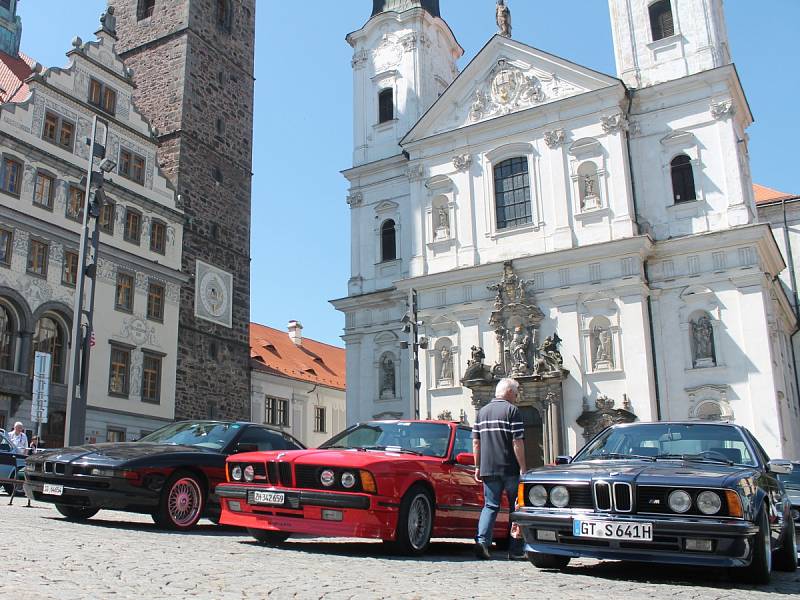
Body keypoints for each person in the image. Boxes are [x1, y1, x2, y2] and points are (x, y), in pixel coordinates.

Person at [472, 378, 526, 560]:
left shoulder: (482, 412)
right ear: (509, 392)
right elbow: (517, 441)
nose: (517, 397)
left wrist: (477, 466)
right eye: (516, 393)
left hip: (488, 467)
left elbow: (476, 442)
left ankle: (482, 542)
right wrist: (523, 467)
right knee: (516, 508)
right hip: (509, 467)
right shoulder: (512, 411)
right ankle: (516, 549)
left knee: (490, 506)